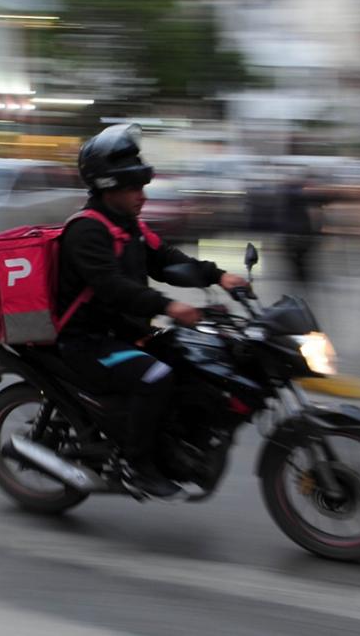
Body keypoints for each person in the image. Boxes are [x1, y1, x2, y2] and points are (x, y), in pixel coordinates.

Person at [56, 124, 248, 498]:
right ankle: (136, 466)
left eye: (142, 187)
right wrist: (169, 306)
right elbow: (112, 288)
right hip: (88, 342)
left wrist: (219, 276)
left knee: (194, 359)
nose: (142, 196)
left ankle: (175, 444)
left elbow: (167, 261)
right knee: (155, 376)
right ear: (108, 186)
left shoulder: (129, 226)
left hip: (125, 334)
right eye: (134, 188)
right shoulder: (85, 231)